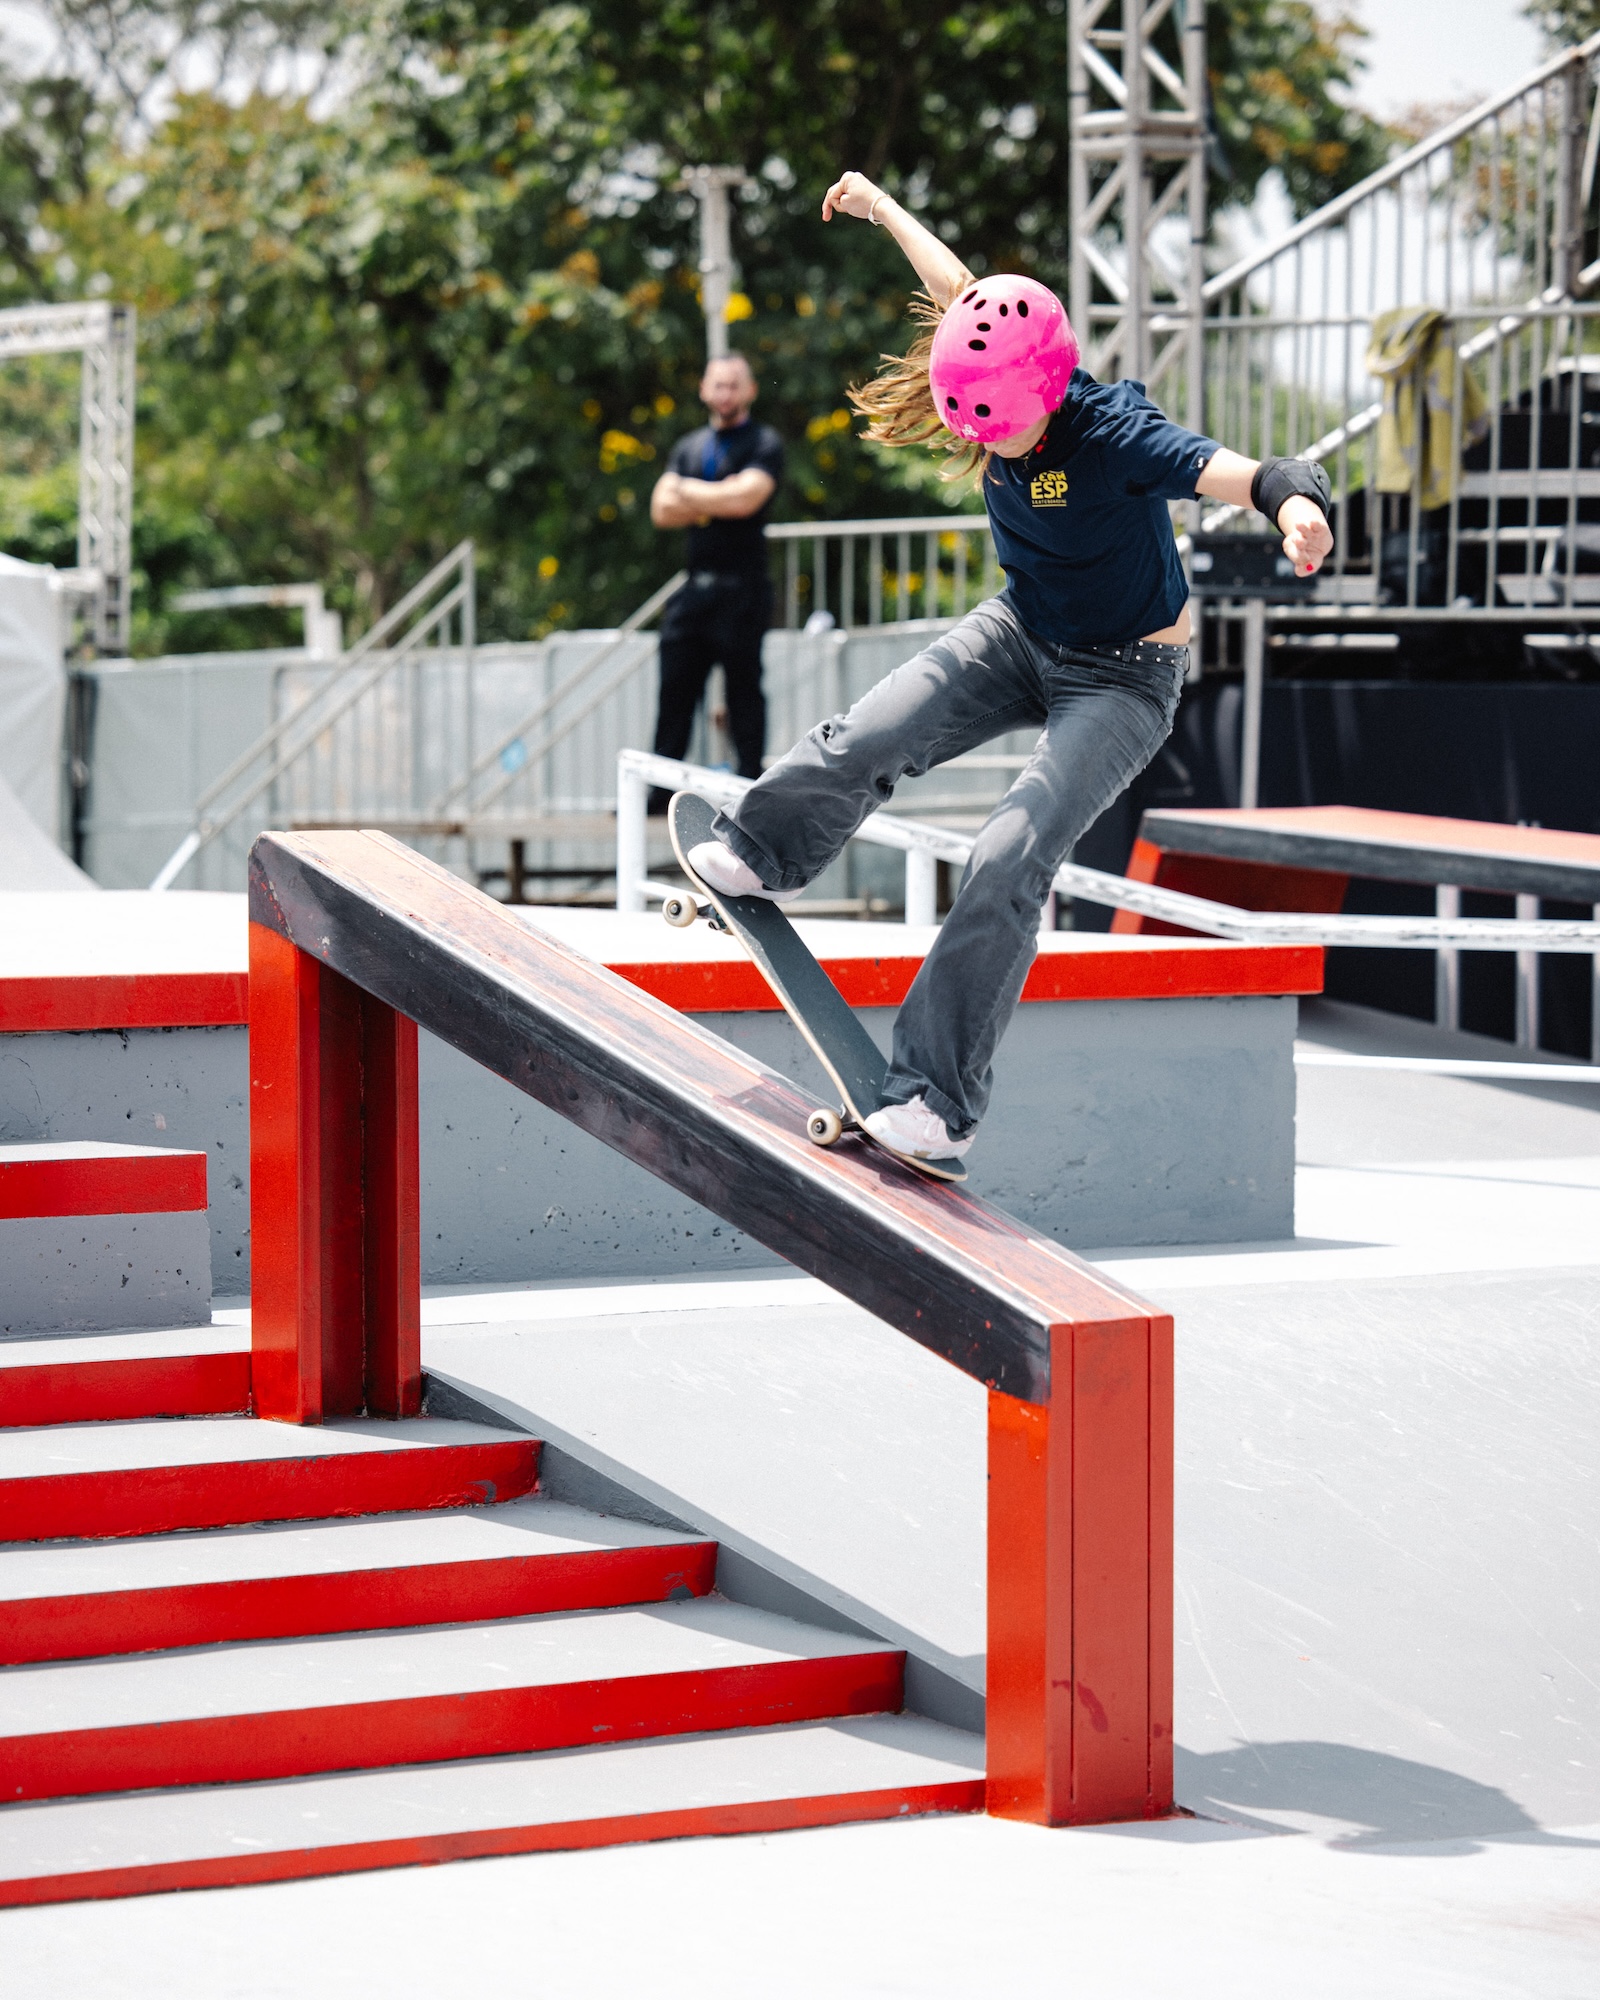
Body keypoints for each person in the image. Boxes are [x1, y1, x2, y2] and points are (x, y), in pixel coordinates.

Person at [685, 169, 1333, 1172]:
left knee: (1006, 853)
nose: (982, 443)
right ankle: (766, 847)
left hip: (1121, 681)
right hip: (1020, 629)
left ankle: (938, 1099)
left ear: (1044, 394)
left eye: (997, 427)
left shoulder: (1115, 430)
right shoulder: (995, 349)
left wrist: (1296, 505)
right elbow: (953, 284)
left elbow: (1244, 473)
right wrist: (883, 207)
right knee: (872, 730)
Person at [648, 351, 785, 812]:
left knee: (745, 690)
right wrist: (718, 498)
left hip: (743, 587)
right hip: (695, 588)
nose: (724, 393)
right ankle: (658, 792)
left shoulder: (765, 443)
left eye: (733, 385)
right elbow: (660, 510)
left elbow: (746, 499)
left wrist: (688, 492)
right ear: (704, 390)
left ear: (749, 390)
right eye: (717, 385)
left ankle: (750, 785)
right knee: (675, 691)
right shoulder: (688, 446)